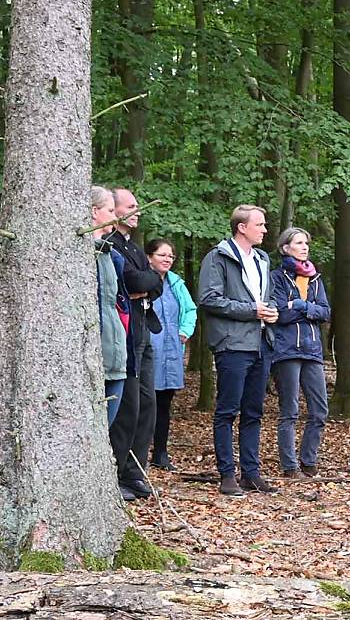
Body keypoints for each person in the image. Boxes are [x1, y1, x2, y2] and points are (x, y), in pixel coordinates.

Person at [198, 204, 280, 496]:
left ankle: (251, 472)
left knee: (254, 411)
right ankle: (226, 474)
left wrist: (270, 312)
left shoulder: (262, 259)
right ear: (242, 227)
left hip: (261, 343)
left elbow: (265, 298)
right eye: (260, 224)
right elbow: (209, 298)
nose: (265, 230)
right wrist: (251, 310)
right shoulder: (217, 258)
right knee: (227, 410)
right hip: (232, 345)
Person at [106, 188, 164, 502]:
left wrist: (146, 280)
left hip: (144, 332)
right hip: (125, 336)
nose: (137, 210)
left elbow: (155, 284)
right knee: (126, 406)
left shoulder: (136, 248)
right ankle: (116, 473)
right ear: (114, 211)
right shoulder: (109, 245)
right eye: (131, 206)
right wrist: (144, 281)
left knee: (147, 405)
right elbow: (134, 283)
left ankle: (135, 470)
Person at [268, 227, 331, 478]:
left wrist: (302, 305)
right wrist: (307, 310)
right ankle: (290, 466)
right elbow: (281, 314)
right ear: (285, 248)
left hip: (313, 351)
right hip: (286, 351)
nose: (305, 247)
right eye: (299, 243)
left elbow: (325, 312)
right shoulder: (277, 277)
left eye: (306, 243)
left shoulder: (315, 278)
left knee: (319, 410)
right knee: (290, 411)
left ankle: (308, 460)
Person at [146, 238, 198, 471]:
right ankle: (136, 453)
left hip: (172, 350)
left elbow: (190, 309)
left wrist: (185, 330)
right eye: (162, 255)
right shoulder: (142, 281)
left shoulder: (176, 283)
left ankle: (160, 452)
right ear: (149, 257)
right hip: (149, 350)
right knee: (146, 402)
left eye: (171, 256)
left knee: (165, 403)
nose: (167, 260)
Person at [90, 187, 128, 425]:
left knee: (105, 429)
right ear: (94, 212)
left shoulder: (111, 255)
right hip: (95, 356)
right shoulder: (81, 255)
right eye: (111, 210)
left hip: (116, 356)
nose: (116, 216)